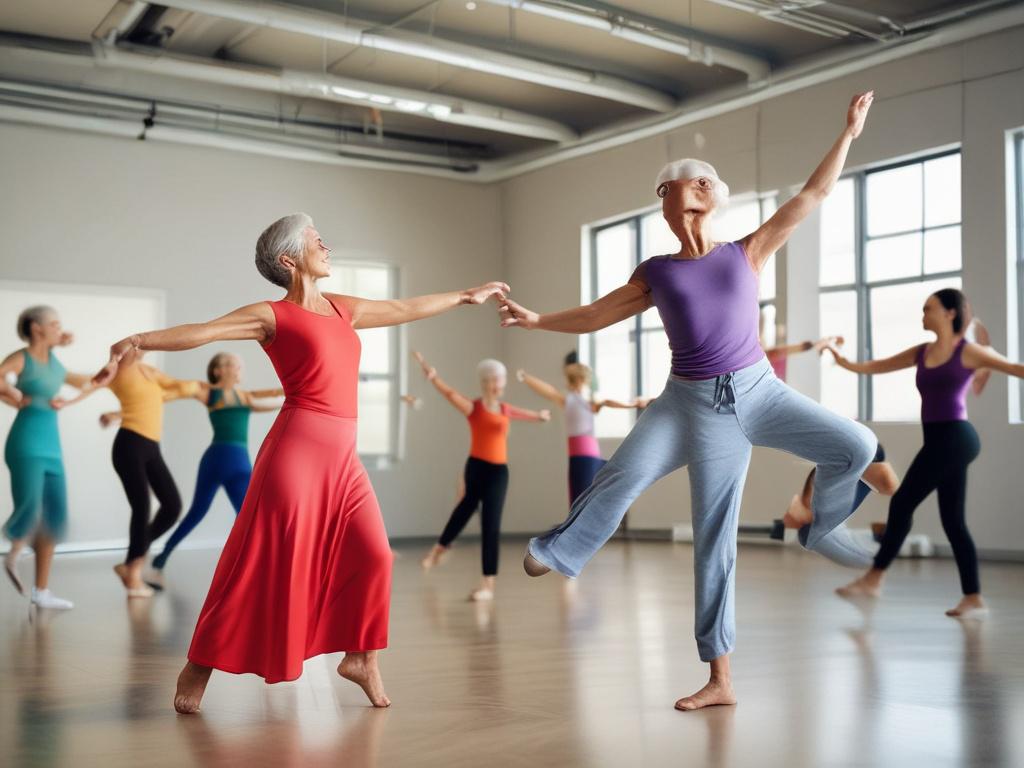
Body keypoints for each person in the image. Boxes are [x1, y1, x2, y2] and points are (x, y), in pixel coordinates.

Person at [498, 92, 878, 711]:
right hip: (687, 404)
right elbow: (596, 314)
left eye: (705, 182)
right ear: (665, 199)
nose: (696, 186)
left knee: (857, 444)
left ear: (713, 197)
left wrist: (849, 133)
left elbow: (814, 194)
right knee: (642, 488)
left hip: (760, 391)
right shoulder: (657, 271)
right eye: (684, 182)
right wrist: (537, 320)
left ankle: (821, 521)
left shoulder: (747, 251)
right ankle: (711, 670)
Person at [92, 212, 508, 713]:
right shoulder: (272, 316)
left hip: (343, 458)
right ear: (289, 260)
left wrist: (464, 296)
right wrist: (138, 340)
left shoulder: (342, 308)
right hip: (296, 451)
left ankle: (361, 658)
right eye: (317, 241)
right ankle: (200, 664)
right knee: (260, 560)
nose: (327, 247)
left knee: (376, 555)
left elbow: (402, 307)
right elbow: (205, 332)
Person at [825, 290, 1024, 618]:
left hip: (956, 437)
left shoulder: (969, 351)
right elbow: (876, 366)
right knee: (953, 521)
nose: (923, 314)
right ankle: (973, 598)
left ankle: (874, 578)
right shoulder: (922, 352)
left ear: (949, 313)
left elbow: (1015, 367)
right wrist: (842, 360)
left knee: (903, 502)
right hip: (940, 440)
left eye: (928, 308)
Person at [415, 352, 550, 601]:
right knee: (463, 510)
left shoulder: (505, 409)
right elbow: (450, 394)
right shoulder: (473, 408)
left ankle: (487, 584)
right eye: (495, 381)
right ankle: (439, 550)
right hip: (476, 467)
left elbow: (522, 413)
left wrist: (539, 416)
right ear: (486, 382)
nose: (499, 386)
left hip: (499, 473)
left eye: (501, 381)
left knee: (491, 524)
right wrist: (434, 378)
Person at [143, 352, 283, 588]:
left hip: (239, 464)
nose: (237, 368)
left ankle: (252, 572)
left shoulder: (246, 396)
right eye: (231, 364)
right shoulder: (209, 392)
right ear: (218, 370)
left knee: (248, 518)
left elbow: (274, 396)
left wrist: (293, 394)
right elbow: (179, 390)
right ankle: (160, 559)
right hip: (215, 460)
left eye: (239, 365)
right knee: (196, 513)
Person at [1, 306, 94, 608]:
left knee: (55, 515)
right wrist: (15, 396)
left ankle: (41, 592)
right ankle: (15, 552)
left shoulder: (55, 364)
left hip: (52, 448)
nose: (59, 328)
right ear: (36, 328)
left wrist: (114, 367)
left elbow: (86, 381)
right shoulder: (22, 358)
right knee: (30, 507)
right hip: (25, 444)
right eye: (54, 323)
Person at [97, 352, 200, 597]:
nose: (142, 347)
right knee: (142, 507)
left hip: (151, 447)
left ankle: (131, 562)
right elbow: (89, 382)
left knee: (172, 506)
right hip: (129, 444)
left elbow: (168, 391)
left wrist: (199, 387)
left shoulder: (149, 372)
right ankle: (133, 575)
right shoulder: (119, 371)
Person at [516, 362, 647, 505]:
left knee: (584, 501)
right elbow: (549, 391)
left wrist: (526, 377)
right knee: (582, 501)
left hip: (587, 457)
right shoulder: (575, 401)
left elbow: (606, 402)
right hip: (583, 458)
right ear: (581, 380)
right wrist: (526, 378)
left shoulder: (583, 402)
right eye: (587, 380)